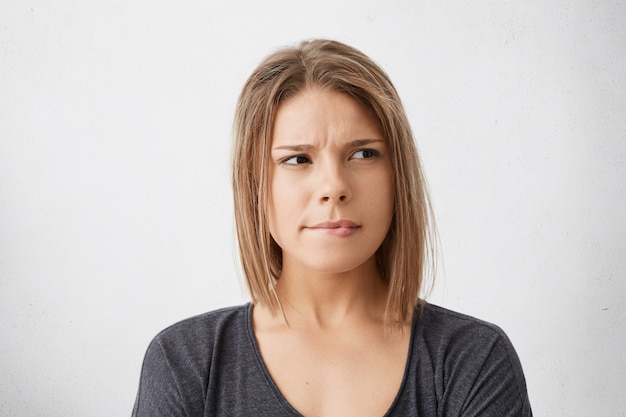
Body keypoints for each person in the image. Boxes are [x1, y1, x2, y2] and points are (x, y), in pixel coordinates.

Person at [132, 39, 533, 417]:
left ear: (399, 175)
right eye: (297, 159)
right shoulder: (185, 362)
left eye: (363, 153)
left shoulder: (473, 359)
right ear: (254, 183)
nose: (334, 187)